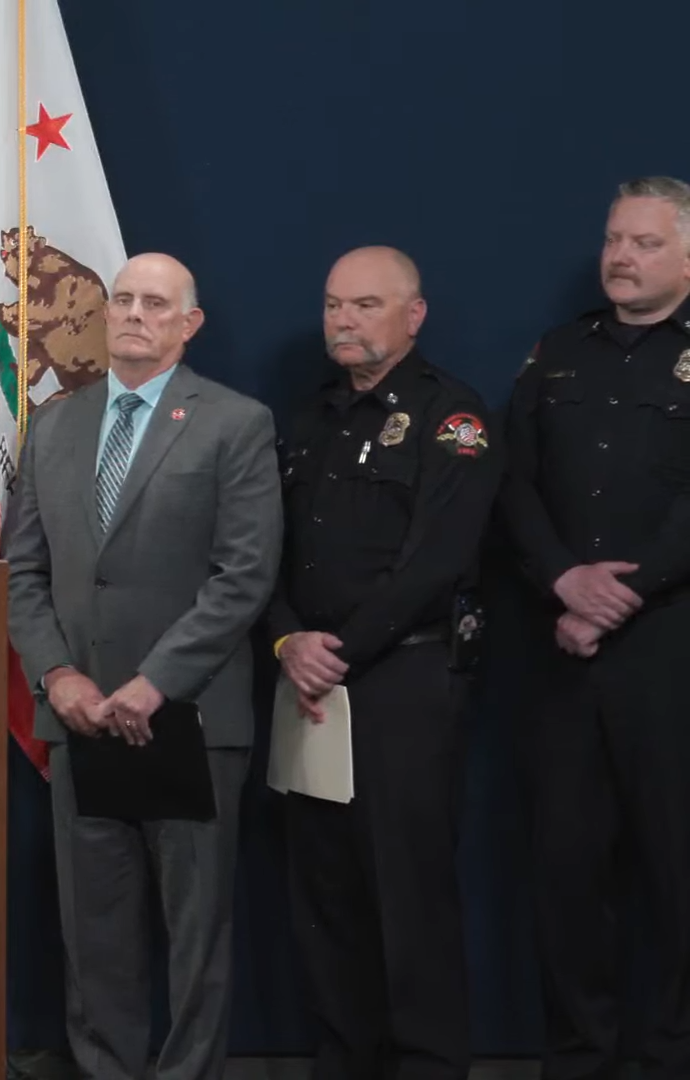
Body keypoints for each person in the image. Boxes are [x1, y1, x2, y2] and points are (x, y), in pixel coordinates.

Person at [1, 253, 281, 1080]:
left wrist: (154, 682)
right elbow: (23, 572)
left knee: (196, 935)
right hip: (81, 717)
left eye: (154, 303)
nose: (132, 314)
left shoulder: (236, 423)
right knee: (95, 933)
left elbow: (245, 576)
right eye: (121, 299)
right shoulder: (54, 424)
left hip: (186, 721)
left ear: (188, 325)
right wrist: (58, 678)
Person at [267, 247, 502, 1080]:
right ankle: (346, 1059)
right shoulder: (308, 416)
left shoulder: (453, 418)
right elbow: (269, 554)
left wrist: (340, 653)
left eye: (366, 305)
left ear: (414, 315)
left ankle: (429, 1065)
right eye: (334, 305)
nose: (344, 321)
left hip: (403, 678)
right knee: (324, 893)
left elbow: (438, 561)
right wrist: (289, 640)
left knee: (408, 896)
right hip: (307, 678)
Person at [501, 176, 690, 1080]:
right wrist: (566, 582)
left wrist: (626, 592)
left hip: (670, 652)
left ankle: (667, 1057)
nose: (621, 256)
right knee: (568, 877)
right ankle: (579, 1058)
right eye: (616, 239)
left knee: (678, 872)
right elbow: (515, 486)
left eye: (646, 243)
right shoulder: (558, 356)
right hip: (562, 651)